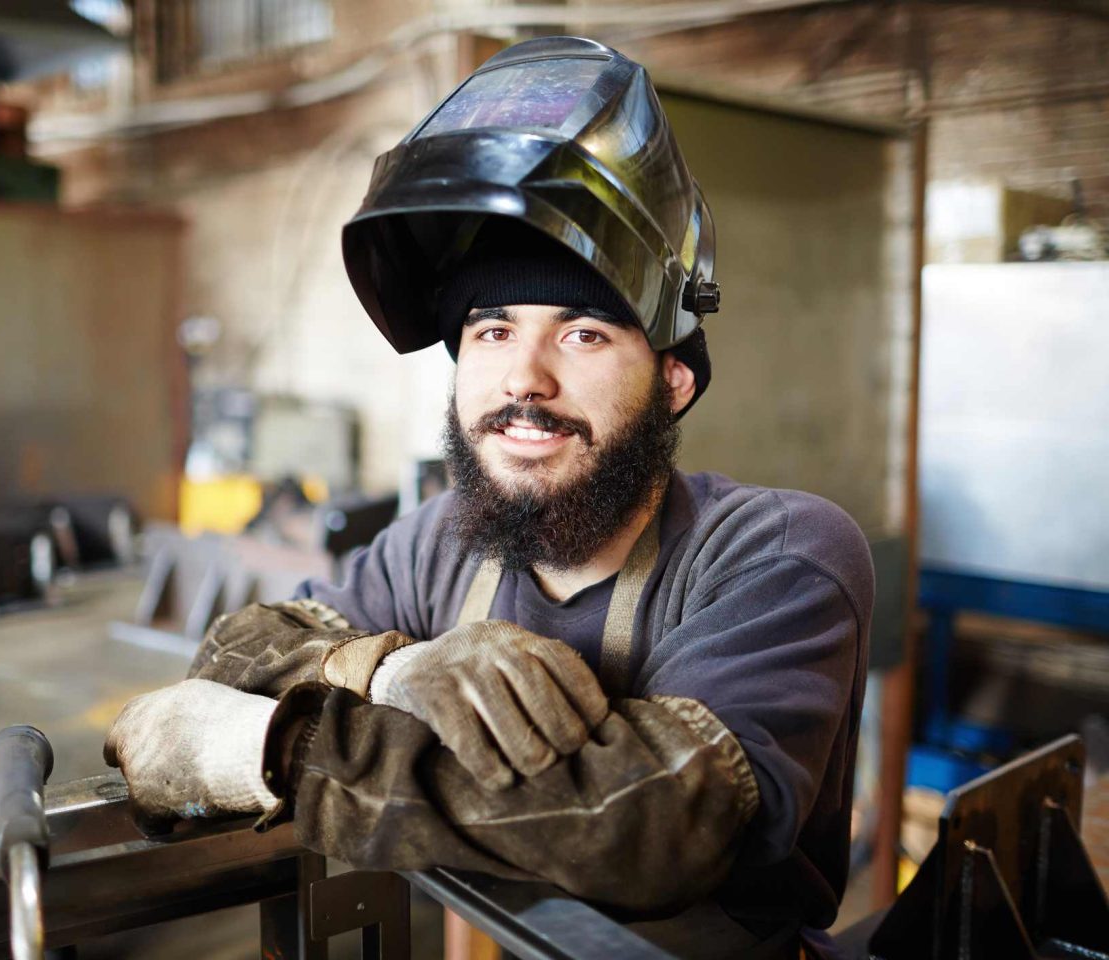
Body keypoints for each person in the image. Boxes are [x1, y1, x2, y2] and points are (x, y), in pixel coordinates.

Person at [104, 36, 873, 959]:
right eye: (494, 330)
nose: (525, 380)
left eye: (584, 334)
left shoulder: (777, 553)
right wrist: (386, 671)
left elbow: (654, 822)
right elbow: (243, 648)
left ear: (673, 381)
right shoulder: (436, 545)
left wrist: (277, 752)